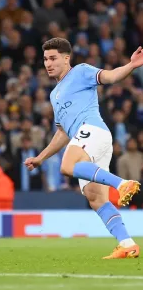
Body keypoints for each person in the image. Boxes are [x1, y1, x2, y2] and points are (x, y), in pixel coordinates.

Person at [24, 38, 143, 259]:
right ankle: (127, 244)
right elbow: (62, 133)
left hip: (93, 131)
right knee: (96, 199)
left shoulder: (80, 71)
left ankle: (123, 184)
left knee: (68, 165)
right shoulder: (54, 94)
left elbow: (110, 76)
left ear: (66, 58)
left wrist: (131, 66)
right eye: (45, 60)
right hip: (86, 139)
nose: (48, 64)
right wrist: (40, 158)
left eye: (53, 58)